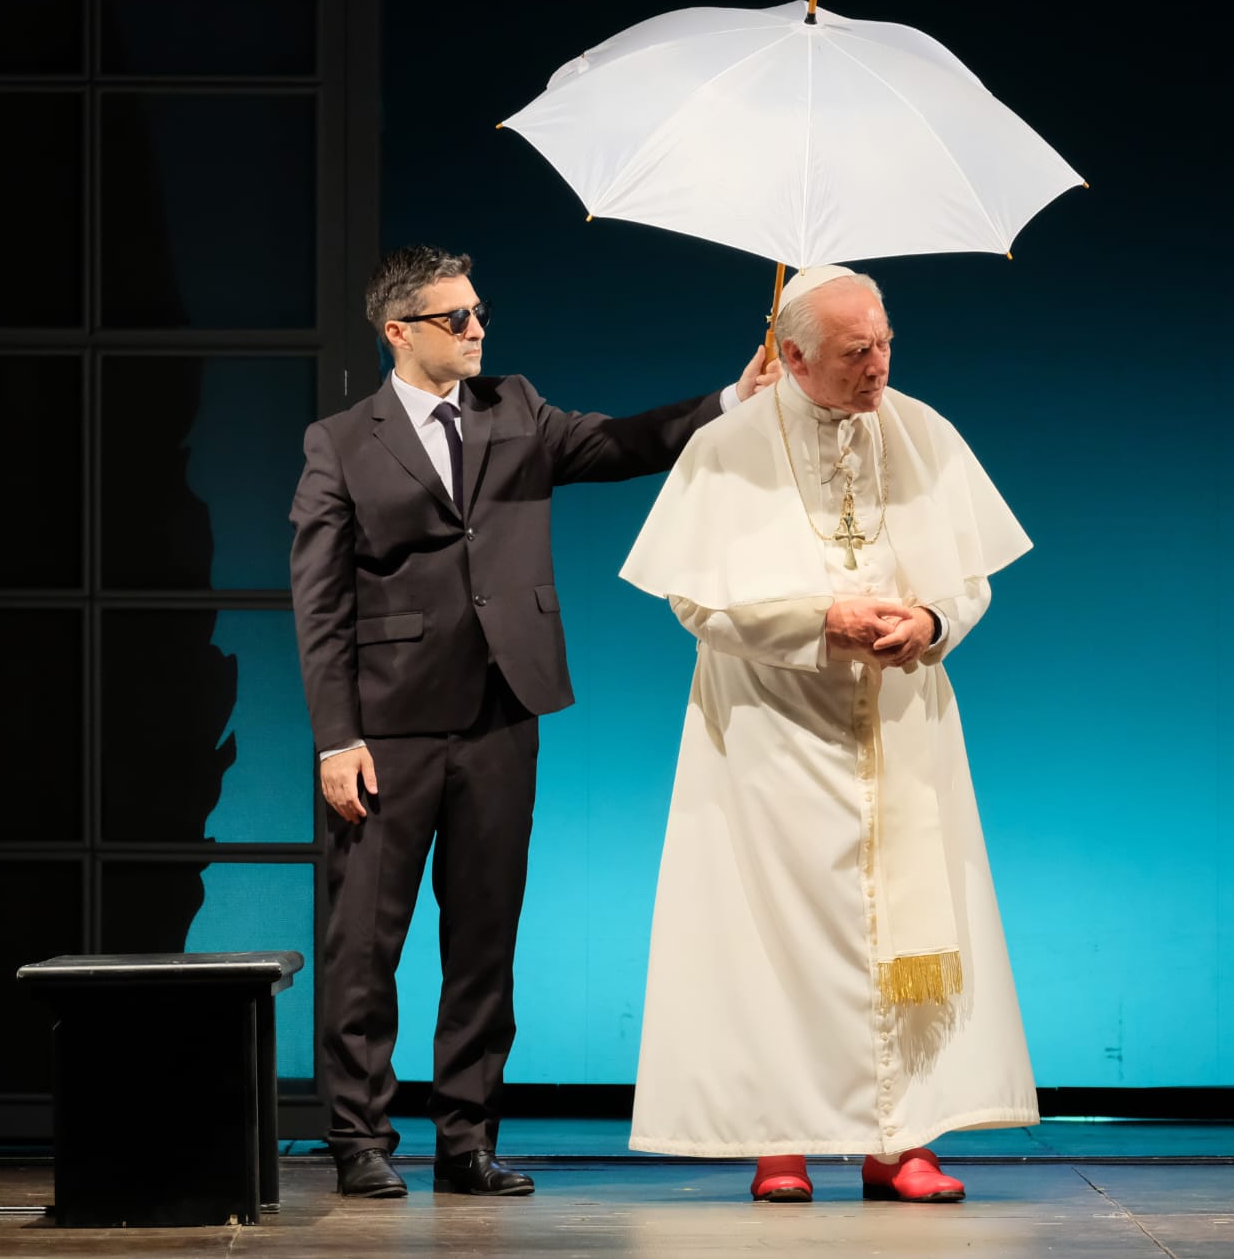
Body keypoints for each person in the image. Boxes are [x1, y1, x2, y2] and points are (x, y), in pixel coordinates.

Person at [289, 245, 777, 1199]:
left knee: (484, 939)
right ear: (398, 332)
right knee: (365, 943)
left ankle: (466, 1140)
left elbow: (623, 443)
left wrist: (731, 399)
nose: (478, 328)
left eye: (479, 311)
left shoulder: (514, 406)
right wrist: (337, 738)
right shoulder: (340, 442)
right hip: (387, 728)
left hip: (502, 712)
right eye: (456, 317)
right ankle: (360, 1137)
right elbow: (320, 602)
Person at [618, 265, 1038, 1204]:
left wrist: (931, 622)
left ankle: (903, 1140)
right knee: (780, 935)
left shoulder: (924, 432)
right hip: (772, 733)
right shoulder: (726, 448)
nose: (878, 366)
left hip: (901, 722)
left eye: (885, 343)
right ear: (795, 356)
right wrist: (819, 624)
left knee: (907, 924)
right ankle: (783, 1139)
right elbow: (696, 602)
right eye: (856, 352)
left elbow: (970, 580)